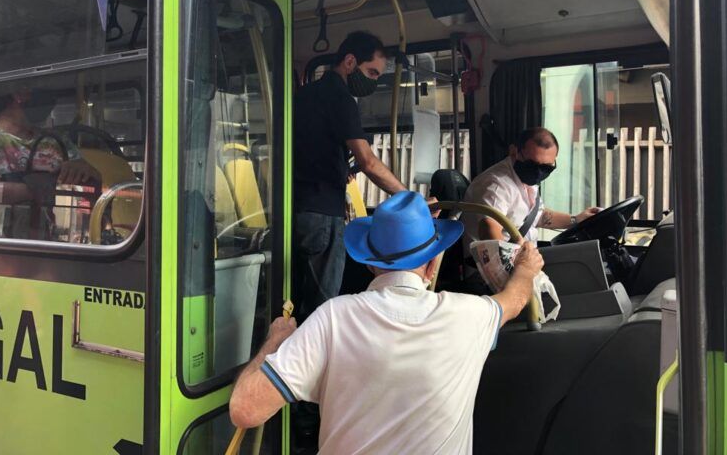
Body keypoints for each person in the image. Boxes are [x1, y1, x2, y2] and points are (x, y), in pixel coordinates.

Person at [229, 191, 544, 454]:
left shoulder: (332, 318)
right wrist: (527, 268)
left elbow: (245, 409)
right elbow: (515, 299)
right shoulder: (470, 315)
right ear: (432, 265)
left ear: (369, 264)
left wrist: (275, 340)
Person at [292, 31, 407, 322]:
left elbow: (313, 149)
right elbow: (368, 161)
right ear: (350, 61)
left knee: (295, 297)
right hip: (322, 213)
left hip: (295, 209)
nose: (373, 81)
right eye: (371, 72)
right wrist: (408, 197)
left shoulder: (304, 94)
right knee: (322, 307)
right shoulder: (342, 99)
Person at [0, 88, 100, 237]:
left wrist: (81, 169)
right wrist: (42, 189)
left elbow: (96, 182)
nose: (53, 101)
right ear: (20, 94)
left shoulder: (55, 139)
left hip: (45, 237)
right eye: (46, 91)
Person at [462, 127, 599, 248]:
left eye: (546, 168)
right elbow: (489, 229)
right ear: (514, 152)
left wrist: (576, 219)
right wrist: (518, 265)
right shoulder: (496, 185)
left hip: (527, 254)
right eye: (532, 164)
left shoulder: (525, 178)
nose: (538, 172)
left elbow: (538, 216)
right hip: (497, 264)